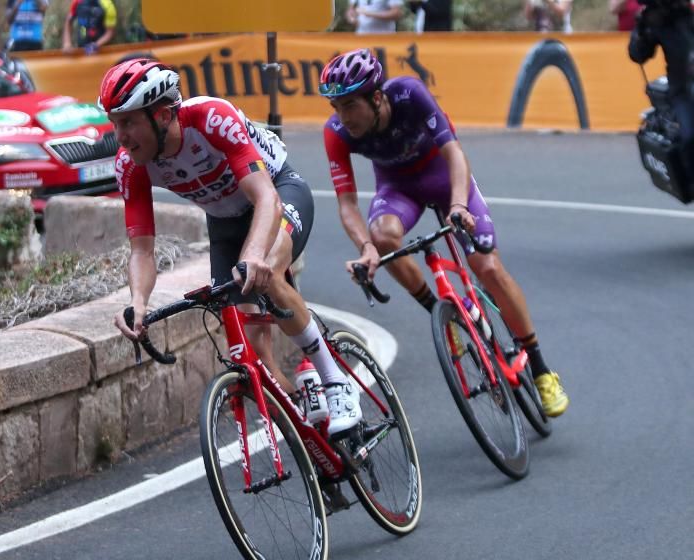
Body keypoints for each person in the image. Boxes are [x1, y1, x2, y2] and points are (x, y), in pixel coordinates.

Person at [102, 58, 364, 436]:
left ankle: (335, 380)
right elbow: (142, 249)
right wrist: (139, 304)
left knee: (266, 273)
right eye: (115, 123)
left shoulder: (211, 118)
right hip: (225, 223)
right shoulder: (130, 165)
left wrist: (254, 255)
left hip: (277, 193)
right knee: (252, 356)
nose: (120, 136)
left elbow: (266, 200)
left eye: (128, 122)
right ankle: (312, 439)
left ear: (161, 115)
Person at [317, 48, 569, 417]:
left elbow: (453, 152)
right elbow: (347, 206)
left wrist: (458, 205)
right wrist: (367, 248)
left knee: (488, 268)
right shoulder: (336, 132)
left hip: (443, 177)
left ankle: (541, 367)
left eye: (349, 105)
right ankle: (441, 313)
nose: (343, 116)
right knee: (384, 237)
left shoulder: (408, 94)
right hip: (398, 189)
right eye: (335, 107)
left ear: (376, 97)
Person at [629, 0, 694, 171]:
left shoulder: (687, 11)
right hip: (683, 89)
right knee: (690, 137)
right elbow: (638, 54)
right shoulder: (658, 18)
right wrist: (643, 29)